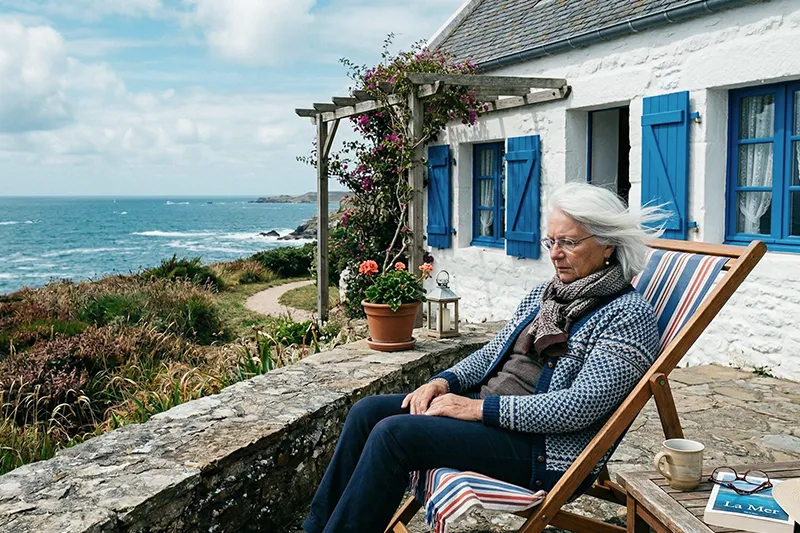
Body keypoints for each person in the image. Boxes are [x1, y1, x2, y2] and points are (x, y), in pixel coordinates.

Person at [302, 182, 664, 533]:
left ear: (607, 246)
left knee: (394, 435)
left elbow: (580, 406)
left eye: (568, 242)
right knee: (367, 412)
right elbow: (493, 352)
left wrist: (475, 409)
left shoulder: (628, 317)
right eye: (551, 241)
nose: (554, 253)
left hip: (538, 449)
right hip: (491, 417)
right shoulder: (549, 294)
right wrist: (441, 382)